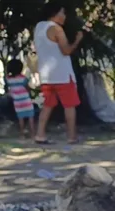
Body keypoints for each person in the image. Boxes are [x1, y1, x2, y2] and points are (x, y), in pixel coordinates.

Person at [34, 1, 83, 144]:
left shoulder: (38, 27)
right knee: (69, 105)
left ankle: (40, 134)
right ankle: (71, 136)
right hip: (62, 74)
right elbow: (66, 50)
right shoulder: (56, 29)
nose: (64, 16)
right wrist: (77, 40)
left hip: (46, 75)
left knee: (47, 105)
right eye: (62, 12)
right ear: (55, 13)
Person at [5, 59, 36, 138]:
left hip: (17, 102)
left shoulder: (9, 79)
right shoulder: (23, 78)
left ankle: (22, 134)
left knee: (20, 117)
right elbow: (27, 87)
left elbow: (9, 88)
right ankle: (32, 133)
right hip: (26, 100)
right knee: (30, 116)